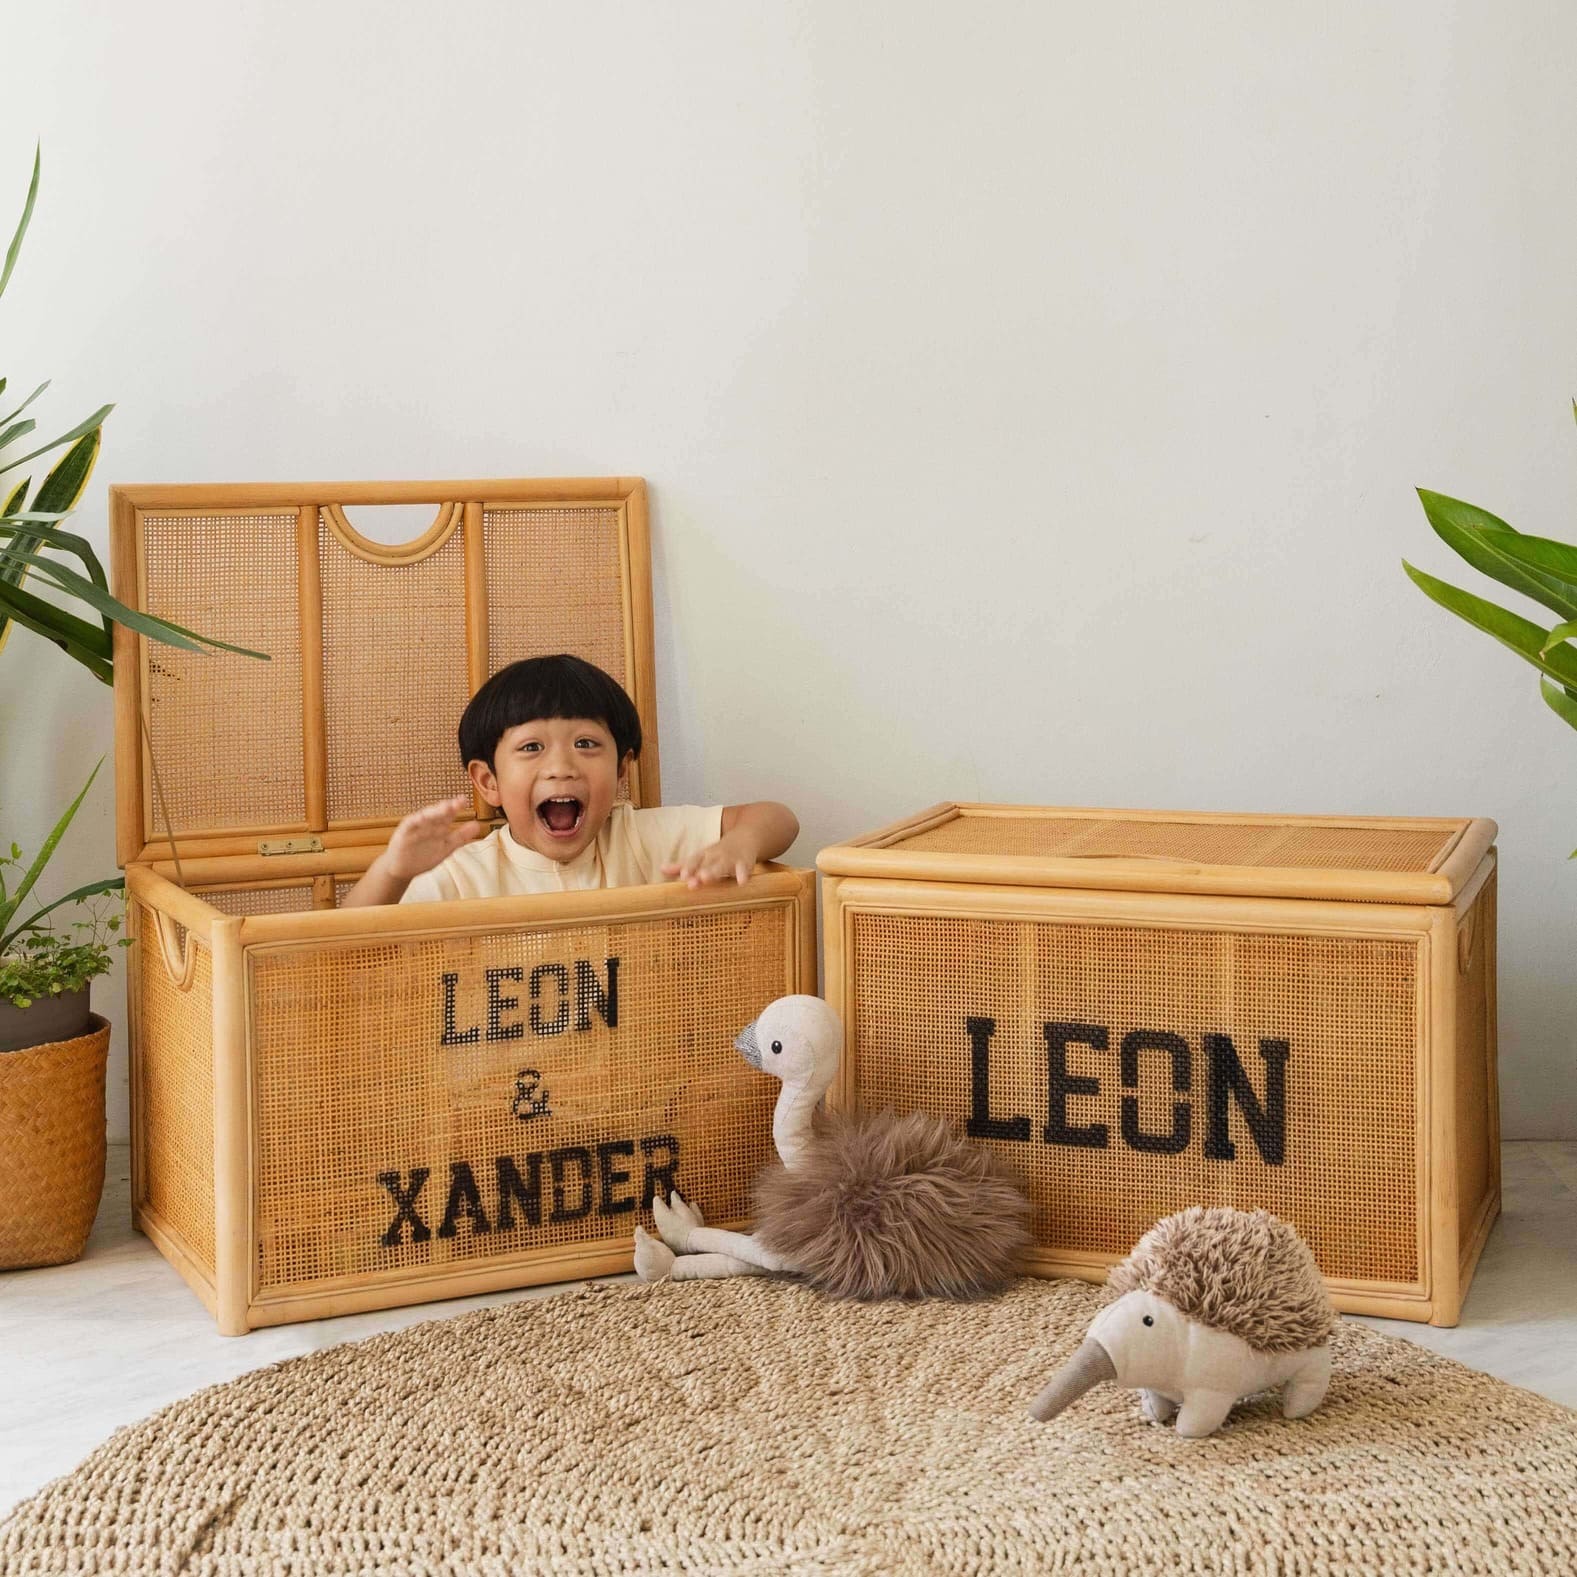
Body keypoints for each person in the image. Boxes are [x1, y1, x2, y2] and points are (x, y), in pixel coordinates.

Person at [341, 653, 798, 906]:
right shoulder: (464, 875)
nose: (562, 766)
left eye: (585, 744)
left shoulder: (638, 838)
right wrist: (393, 869)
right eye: (531, 747)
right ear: (488, 781)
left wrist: (742, 844)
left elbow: (778, 819)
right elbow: (340, 944)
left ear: (622, 768)